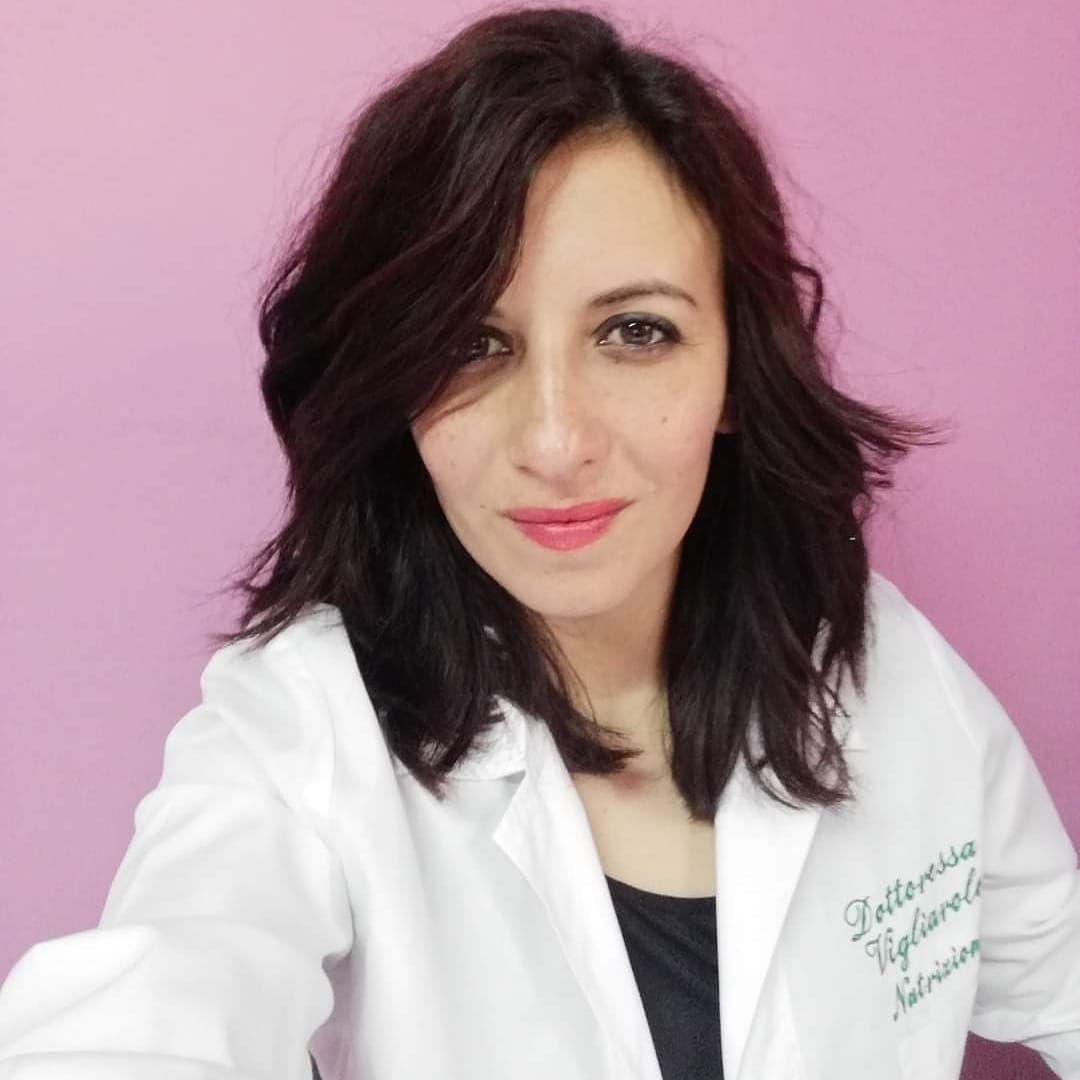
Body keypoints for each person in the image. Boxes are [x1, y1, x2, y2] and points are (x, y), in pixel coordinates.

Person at [1, 5, 1077, 1079]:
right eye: (472, 344)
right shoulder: (302, 728)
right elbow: (151, 1007)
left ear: (737, 371)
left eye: (636, 332)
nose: (556, 443)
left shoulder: (883, 666)